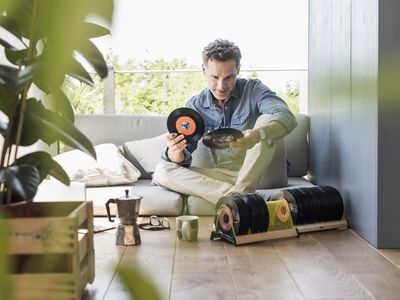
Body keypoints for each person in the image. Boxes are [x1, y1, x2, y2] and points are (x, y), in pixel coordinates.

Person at [153, 39, 297, 204]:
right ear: (203, 70)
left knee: (266, 119)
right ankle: (245, 198)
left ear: (238, 70)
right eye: (214, 77)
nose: (221, 86)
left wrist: (257, 135)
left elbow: (287, 117)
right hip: (226, 176)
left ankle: (240, 197)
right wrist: (175, 151)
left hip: (264, 174)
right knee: (162, 171)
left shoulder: (254, 89)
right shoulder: (195, 105)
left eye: (228, 78)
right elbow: (183, 158)